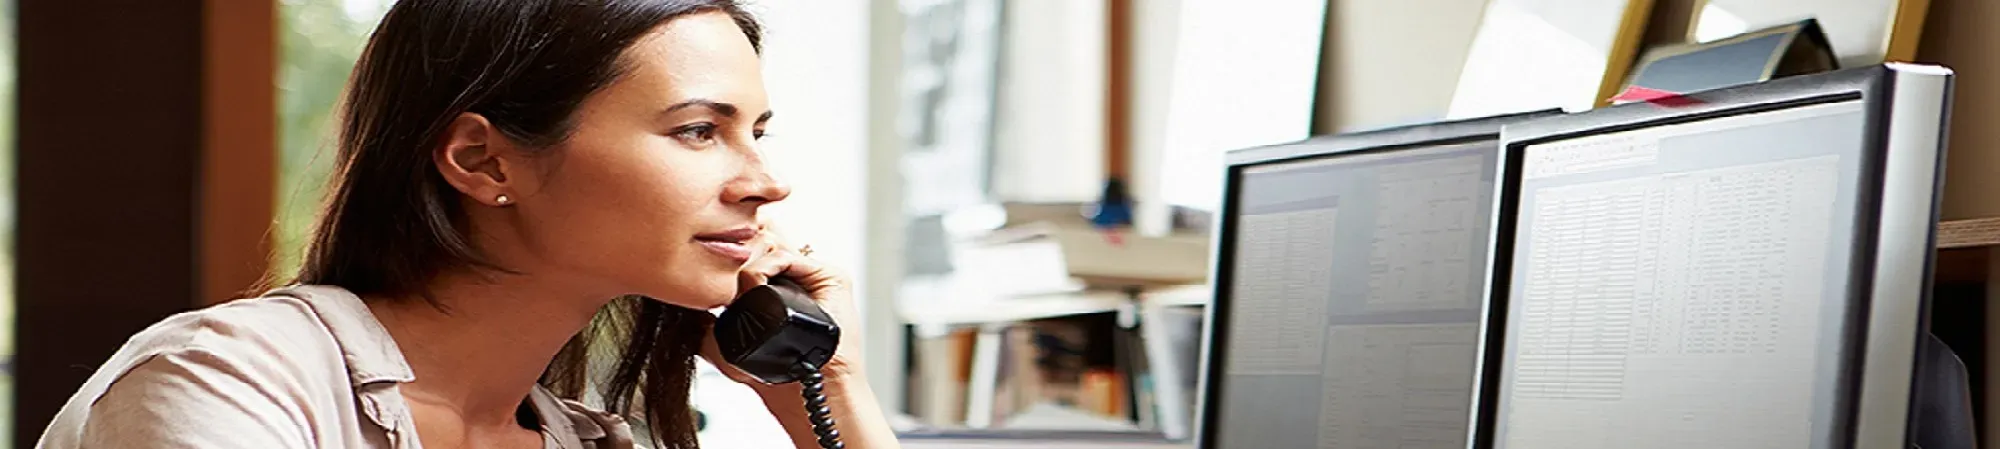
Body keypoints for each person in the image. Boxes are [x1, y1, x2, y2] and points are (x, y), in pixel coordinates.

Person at [34, 1, 901, 448]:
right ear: (484, 161)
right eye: (698, 131)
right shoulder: (227, 384)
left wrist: (835, 401)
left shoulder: (582, 437)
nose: (765, 183)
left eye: (757, 133)